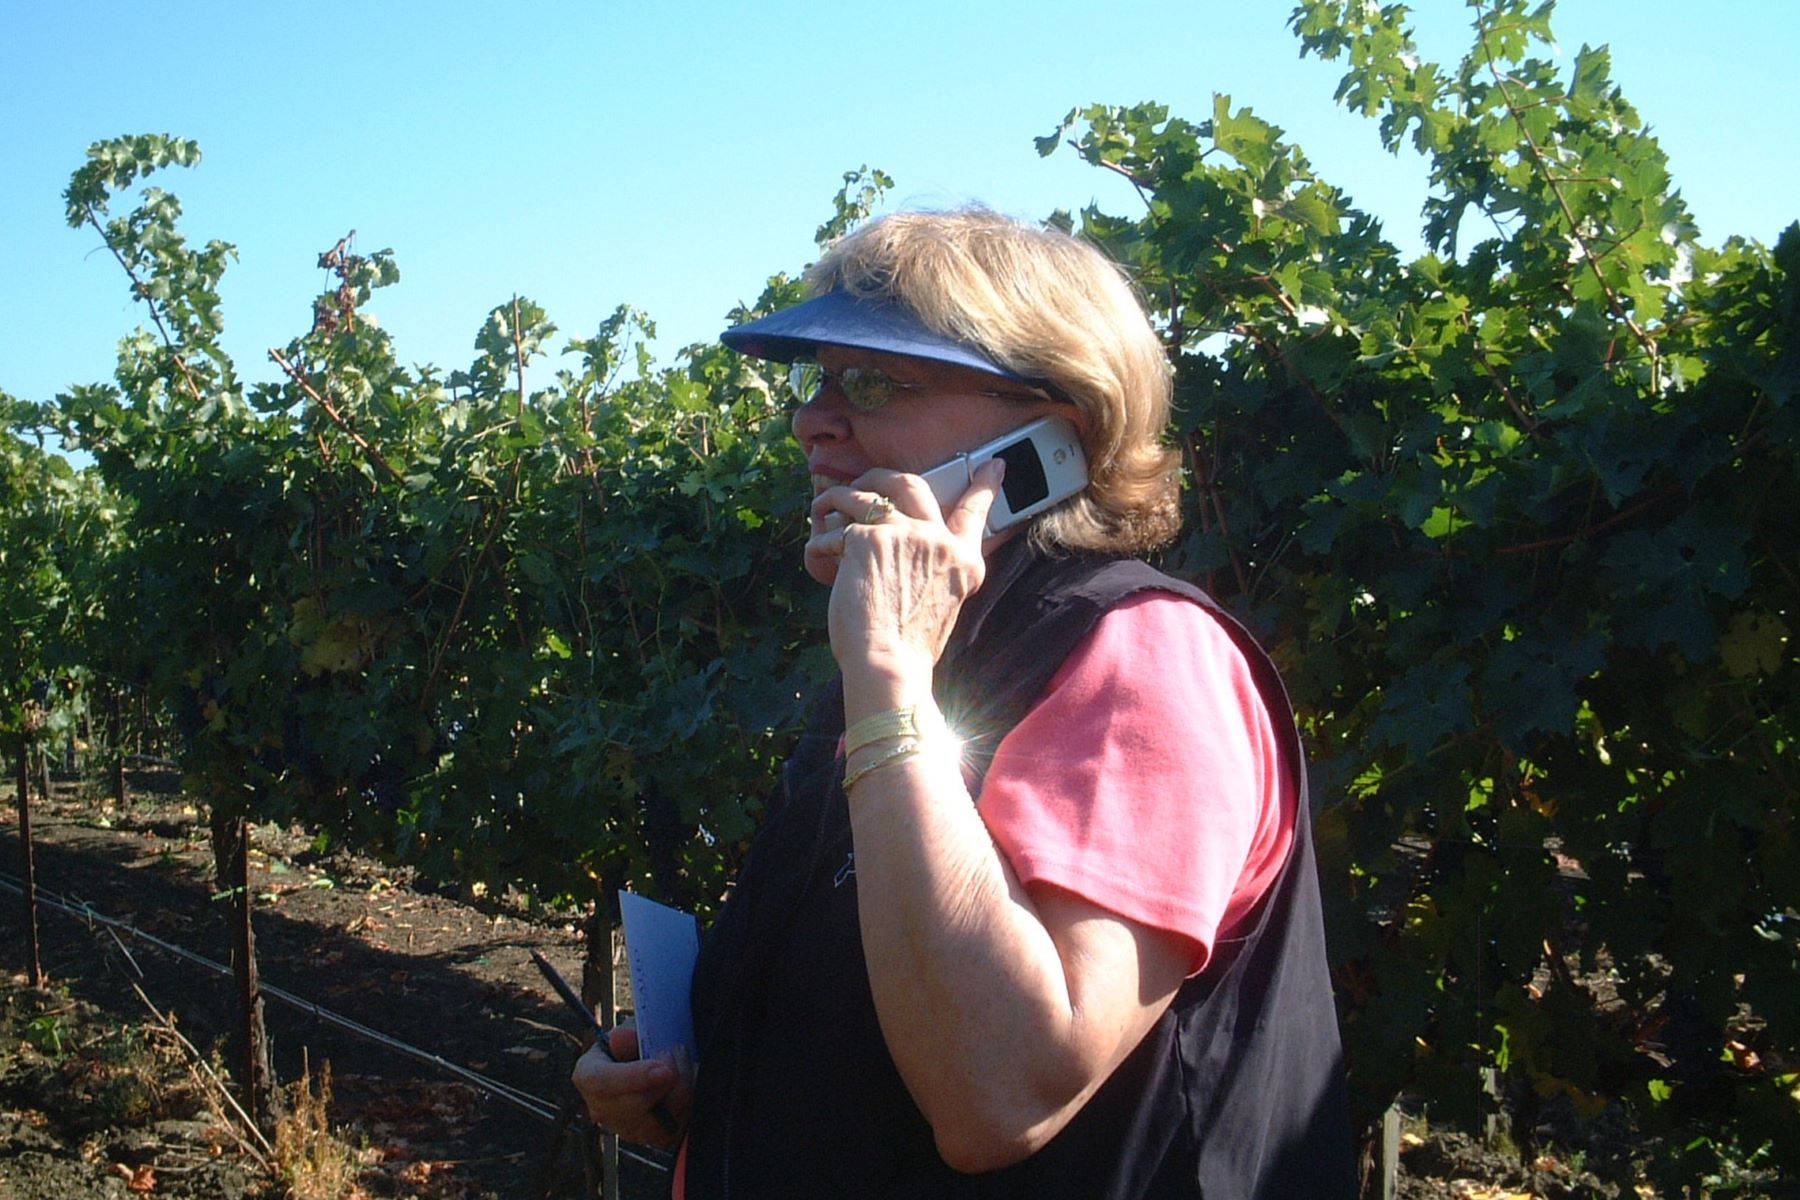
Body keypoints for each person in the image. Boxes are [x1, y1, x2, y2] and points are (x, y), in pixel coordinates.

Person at [573, 208, 1355, 1198]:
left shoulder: (1142, 660)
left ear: (1052, 434)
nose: (814, 419)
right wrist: (702, 1090)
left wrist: (889, 672)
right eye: (815, 381)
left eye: (874, 382)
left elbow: (1003, 1091)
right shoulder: (924, 654)